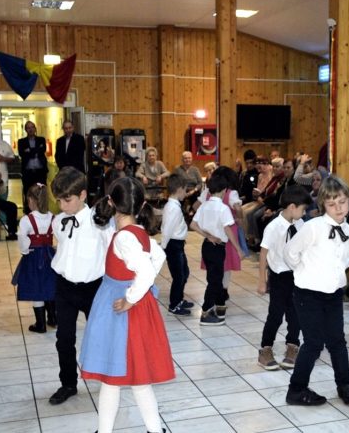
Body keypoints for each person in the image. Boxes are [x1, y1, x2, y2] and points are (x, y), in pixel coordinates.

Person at [80, 177, 173, 433]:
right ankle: (155, 430)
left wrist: (130, 297)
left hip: (121, 311)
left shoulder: (123, 238)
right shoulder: (140, 232)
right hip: (135, 310)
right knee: (139, 379)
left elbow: (144, 271)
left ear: (111, 201)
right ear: (142, 203)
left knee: (112, 378)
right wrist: (136, 292)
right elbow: (158, 257)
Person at [283, 176, 349, 407]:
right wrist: (306, 272)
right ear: (323, 204)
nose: (338, 208)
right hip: (308, 293)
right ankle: (296, 390)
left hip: (333, 294)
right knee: (314, 342)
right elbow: (290, 253)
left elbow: (345, 262)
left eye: (343, 202)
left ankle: (344, 385)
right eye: (332, 203)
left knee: (337, 341)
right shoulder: (312, 227)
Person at [48, 167, 112, 405]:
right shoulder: (58, 221)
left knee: (101, 336)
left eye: (67, 200)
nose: (62, 206)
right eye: (59, 201)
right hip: (64, 287)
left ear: (83, 195)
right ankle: (68, 383)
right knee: (64, 338)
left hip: (93, 289)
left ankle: (110, 379)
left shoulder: (100, 222)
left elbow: (114, 250)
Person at [256, 185, 311, 370]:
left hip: (297, 277)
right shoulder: (273, 227)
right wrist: (262, 280)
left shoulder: (301, 225)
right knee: (275, 315)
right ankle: (265, 349)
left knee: (295, 315)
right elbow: (263, 253)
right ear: (292, 207)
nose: (304, 214)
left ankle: (292, 347)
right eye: (303, 209)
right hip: (279, 278)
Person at [191, 172, 239, 325]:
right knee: (215, 280)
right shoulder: (223, 208)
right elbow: (228, 230)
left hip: (207, 245)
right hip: (218, 247)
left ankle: (219, 306)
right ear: (224, 190)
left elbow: (192, 225)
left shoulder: (204, 205)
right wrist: (238, 248)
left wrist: (208, 235)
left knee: (214, 278)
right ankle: (205, 312)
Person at [13, 184, 57, 334]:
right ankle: (53, 318)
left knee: (36, 288)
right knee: (49, 285)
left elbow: (22, 238)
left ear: (30, 200)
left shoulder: (27, 219)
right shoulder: (53, 217)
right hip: (50, 257)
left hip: (34, 258)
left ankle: (40, 324)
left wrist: (25, 250)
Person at [160, 174, 194, 316]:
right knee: (179, 276)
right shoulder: (173, 208)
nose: (186, 193)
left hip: (177, 245)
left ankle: (179, 299)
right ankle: (174, 304)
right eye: (185, 190)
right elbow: (167, 230)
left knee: (184, 273)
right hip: (173, 246)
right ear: (179, 189)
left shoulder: (172, 205)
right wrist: (163, 247)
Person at [18, 121, 49, 214]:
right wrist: (36, 150)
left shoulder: (41, 139)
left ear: (35, 129)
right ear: (25, 130)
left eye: (32, 127)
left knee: (41, 193)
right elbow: (22, 154)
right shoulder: (21, 141)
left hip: (40, 173)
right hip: (28, 173)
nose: (30, 129)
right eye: (28, 128)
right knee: (28, 193)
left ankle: (42, 211)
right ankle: (28, 213)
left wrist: (29, 151)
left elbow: (42, 150)